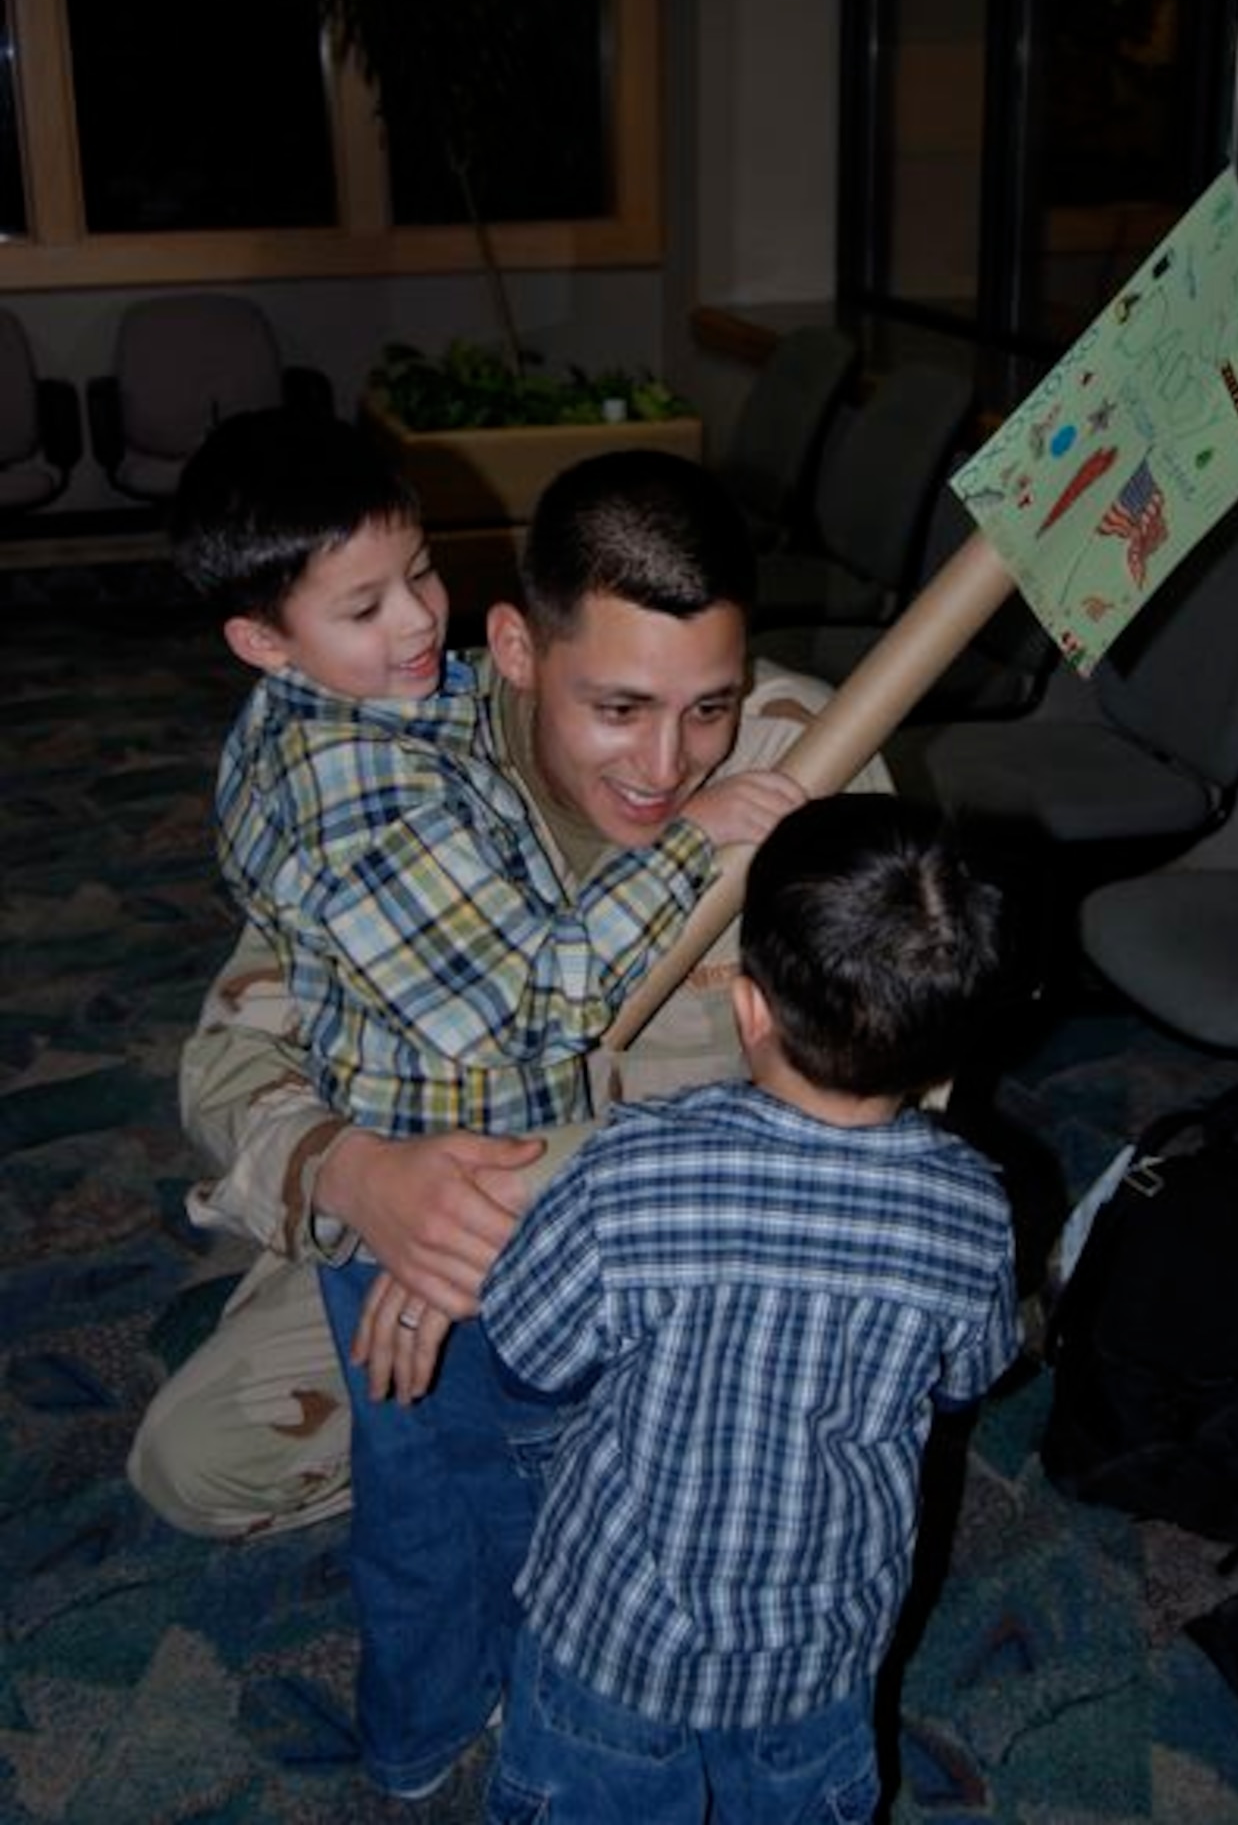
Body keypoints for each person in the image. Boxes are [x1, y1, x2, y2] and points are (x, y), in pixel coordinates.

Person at [153, 416, 806, 1796]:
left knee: (515, 1482)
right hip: (424, 1215)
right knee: (394, 1491)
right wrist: (356, 1179)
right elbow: (237, 1050)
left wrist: (516, 1192)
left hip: (684, 1253)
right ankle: (445, 1723)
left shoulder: (801, 766)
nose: (672, 761)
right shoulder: (368, 762)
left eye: (712, 705)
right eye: (616, 707)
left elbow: (858, 1124)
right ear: (519, 654)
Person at [480, 792, 1021, 1825]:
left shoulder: (631, 1161)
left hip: (611, 1634)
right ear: (946, 1052)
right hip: (814, 1655)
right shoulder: (971, 1209)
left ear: (747, 1004)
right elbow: (966, 1377)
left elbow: (526, 1359)